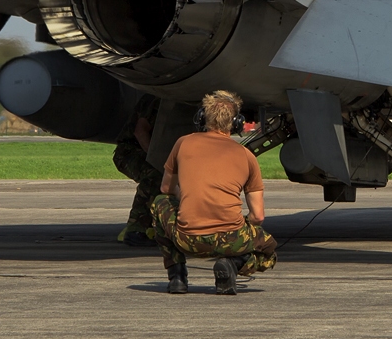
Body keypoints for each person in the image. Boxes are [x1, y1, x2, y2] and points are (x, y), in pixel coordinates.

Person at [151, 90, 276, 295]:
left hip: (187, 240)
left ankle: (177, 276)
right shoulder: (247, 156)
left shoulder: (183, 143)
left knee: (159, 203)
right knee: (268, 249)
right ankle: (232, 264)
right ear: (236, 122)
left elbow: (165, 189)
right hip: (231, 240)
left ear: (202, 118)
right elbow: (258, 216)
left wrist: (187, 198)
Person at [112, 95, 161, 247]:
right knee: (154, 175)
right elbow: (140, 131)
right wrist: (156, 159)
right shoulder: (155, 98)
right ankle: (136, 229)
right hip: (129, 151)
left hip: (147, 150)